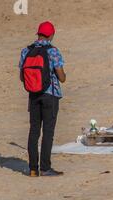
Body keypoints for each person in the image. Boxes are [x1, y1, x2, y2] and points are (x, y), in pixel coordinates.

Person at [19, 21, 66, 177]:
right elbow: (61, 76)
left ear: (38, 34)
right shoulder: (53, 51)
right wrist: (62, 76)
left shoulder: (26, 51)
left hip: (33, 96)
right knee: (48, 132)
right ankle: (45, 168)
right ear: (51, 35)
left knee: (33, 132)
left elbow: (22, 77)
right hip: (50, 95)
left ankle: (33, 169)